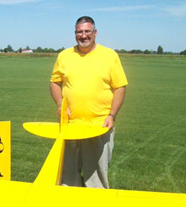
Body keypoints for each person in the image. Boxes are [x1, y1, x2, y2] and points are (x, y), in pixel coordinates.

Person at [49, 16, 128, 189]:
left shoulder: (109, 56)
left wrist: (112, 115)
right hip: (70, 126)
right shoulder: (64, 56)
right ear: (75, 34)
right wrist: (60, 104)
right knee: (67, 180)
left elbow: (120, 87)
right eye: (79, 32)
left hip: (99, 126)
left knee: (96, 180)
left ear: (95, 33)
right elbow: (55, 82)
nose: (83, 35)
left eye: (87, 31)